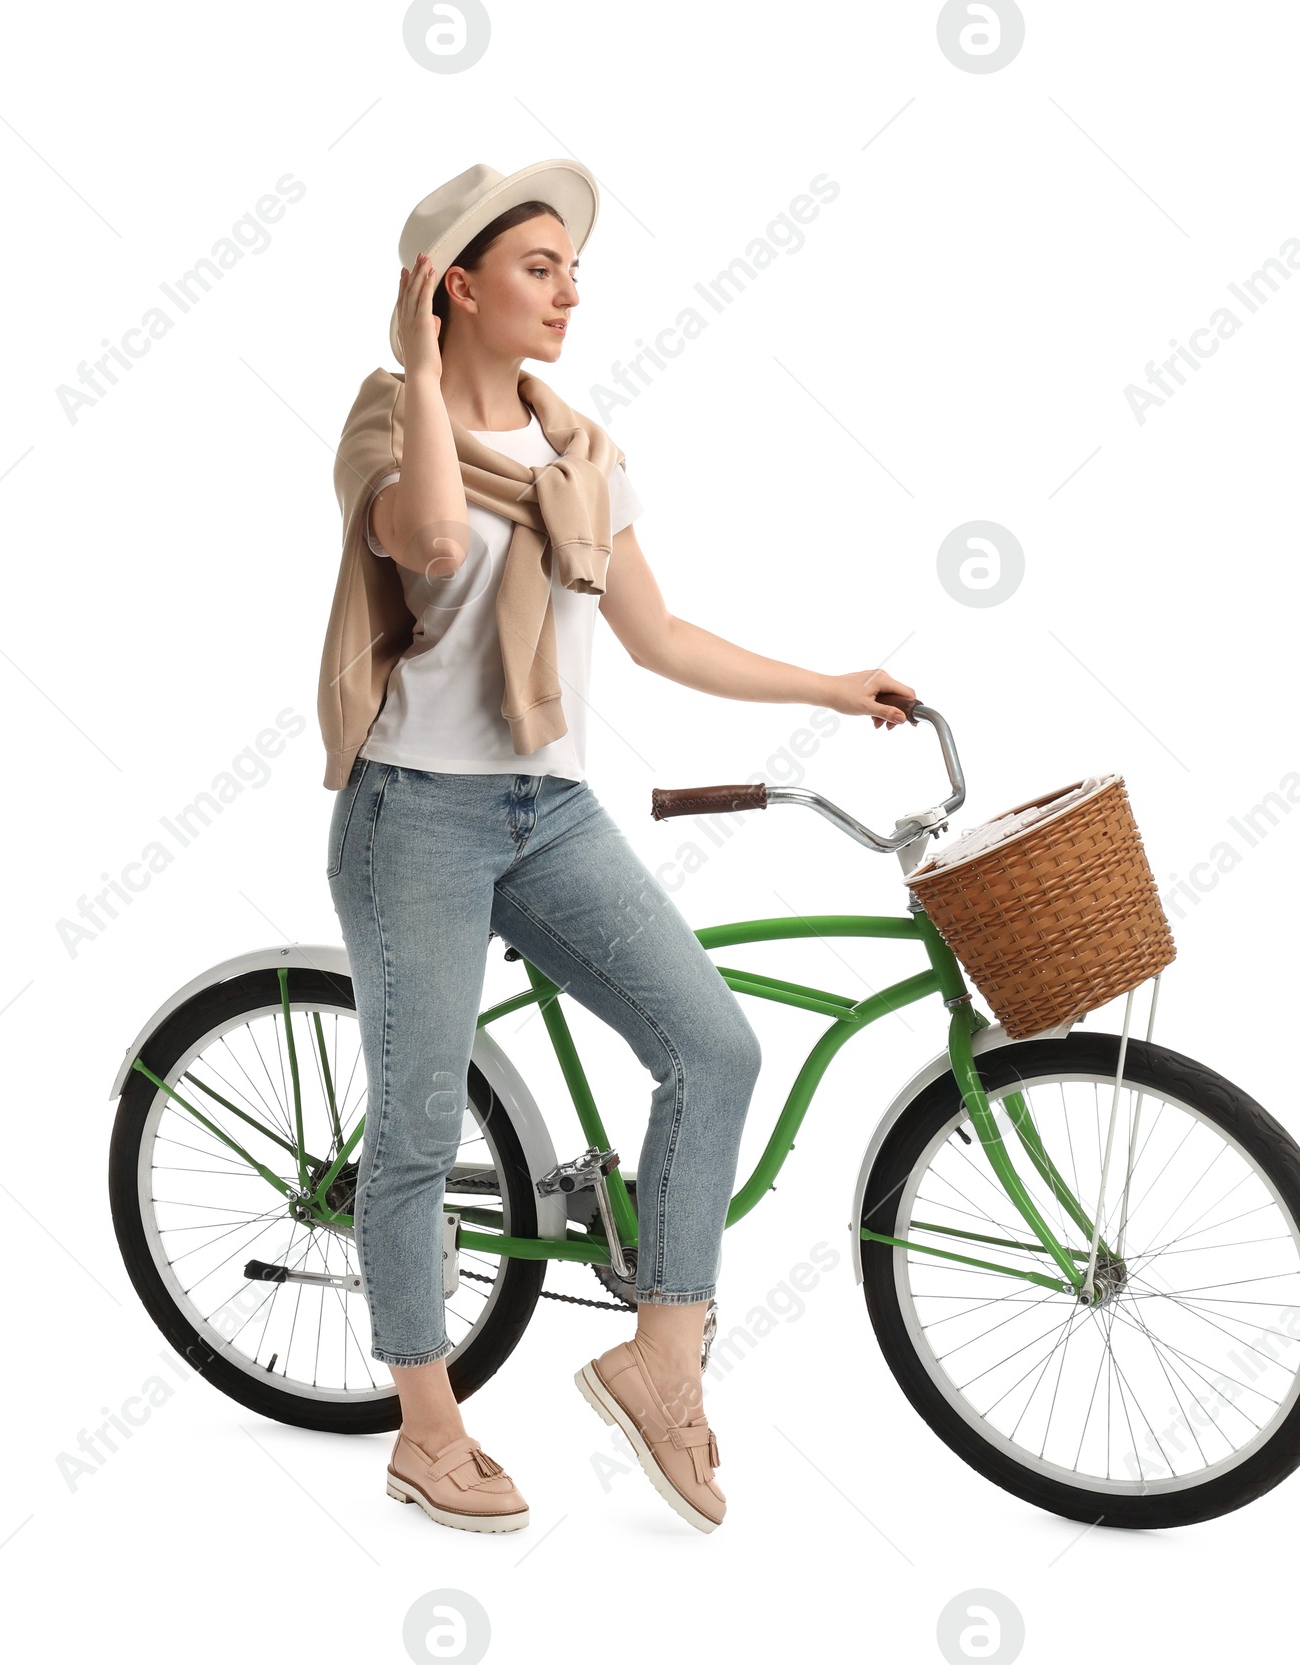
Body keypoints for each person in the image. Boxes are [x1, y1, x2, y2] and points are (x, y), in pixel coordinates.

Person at [321, 161, 916, 1536]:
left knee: (713, 1048)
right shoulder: (383, 424)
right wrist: (415, 363)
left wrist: (827, 684)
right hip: (414, 812)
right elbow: (419, 539)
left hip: (551, 812)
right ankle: (427, 1431)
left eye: (574, 270)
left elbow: (659, 637)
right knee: (413, 1131)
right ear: (453, 284)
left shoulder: (586, 456)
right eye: (538, 267)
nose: (570, 292)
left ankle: (663, 1355)